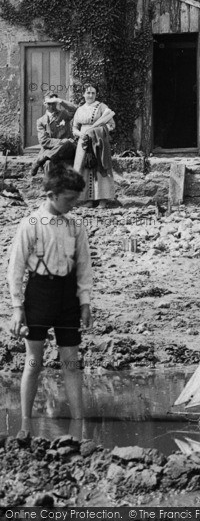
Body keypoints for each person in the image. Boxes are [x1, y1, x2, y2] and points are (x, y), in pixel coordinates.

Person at [7, 163, 93, 435]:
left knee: (71, 362)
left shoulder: (75, 225)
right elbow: (16, 268)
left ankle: (79, 423)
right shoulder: (31, 223)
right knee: (34, 362)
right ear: (52, 194)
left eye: (76, 199)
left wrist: (85, 303)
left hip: (67, 297)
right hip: (39, 295)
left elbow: (84, 267)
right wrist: (18, 308)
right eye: (69, 199)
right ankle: (25, 424)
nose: (73, 204)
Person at [72, 84, 115, 208]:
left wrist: (97, 132)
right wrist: (81, 134)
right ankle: (88, 199)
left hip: (98, 141)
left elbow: (111, 125)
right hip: (84, 141)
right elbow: (74, 128)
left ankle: (103, 199)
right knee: (83, 167)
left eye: (93, 93)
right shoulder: (79, 109)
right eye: (88, 93)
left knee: (100, 167)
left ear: (96, 94)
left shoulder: (102, 107)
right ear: (83, 94)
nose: (90, 95)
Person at [31, 93, 77, 177]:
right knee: (48, 163)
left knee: (68, 143)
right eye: (49, 103)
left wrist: (60, 101)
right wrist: (62, 141)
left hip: (66, 150)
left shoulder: (64, 114)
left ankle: (42, 159)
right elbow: (44, 141)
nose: (52, 106)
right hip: (52, 150)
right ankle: (50, 188)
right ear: (44, 104)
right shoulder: (41, 121)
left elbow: (74, 110)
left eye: (54, 103)